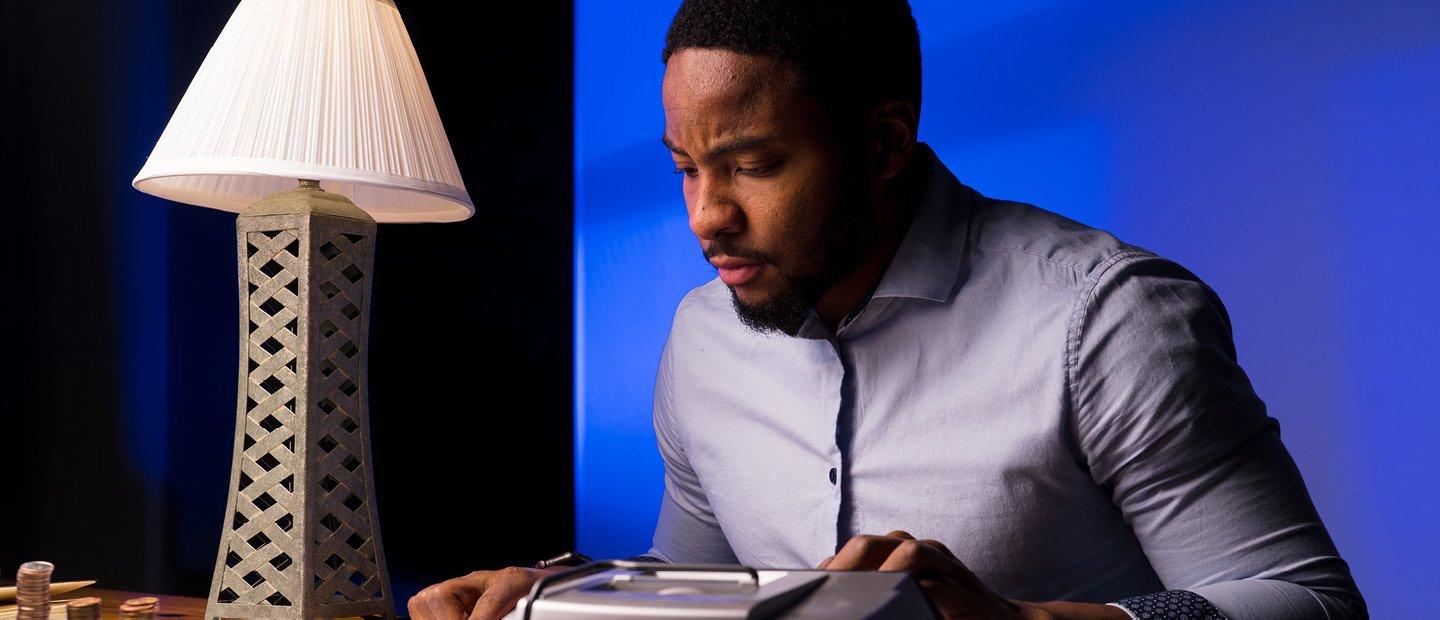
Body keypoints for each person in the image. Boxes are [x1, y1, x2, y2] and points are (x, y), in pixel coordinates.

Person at [409, 1, 1365, 618]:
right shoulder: (705, 336)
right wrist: (557, 595)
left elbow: (1310, 603)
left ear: (884, 142)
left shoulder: (1106, 320)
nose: (708, 218)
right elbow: (693, 586)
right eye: (685, 168)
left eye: (753, 164)